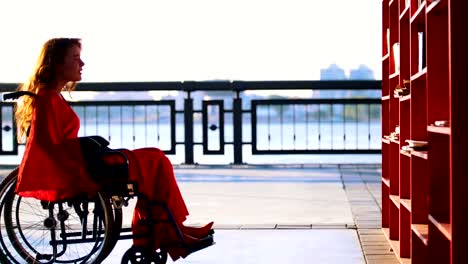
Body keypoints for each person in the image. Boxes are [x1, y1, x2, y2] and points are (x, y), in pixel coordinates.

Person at [14, 38, 213, 261]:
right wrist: (83, 152)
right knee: (156, 160)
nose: (82, 64)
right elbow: (47, 147)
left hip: (81, 159)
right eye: (76, 58)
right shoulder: (48, 98)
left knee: (156, 157)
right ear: (58, 63)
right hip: (77, 166)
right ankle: (168, 232)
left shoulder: (52, 96)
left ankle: (172, 229)